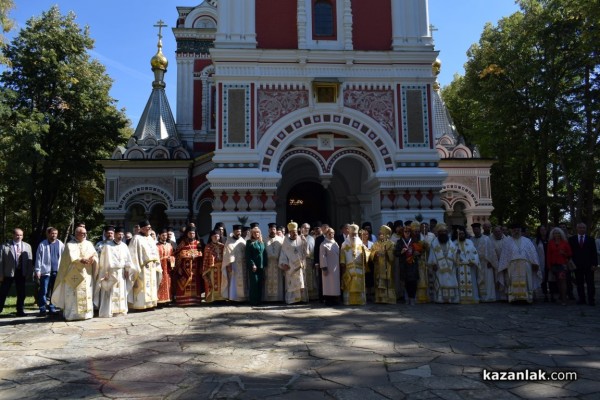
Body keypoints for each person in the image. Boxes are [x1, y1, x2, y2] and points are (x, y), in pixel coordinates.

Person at [51, 226, 98, 320]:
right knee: (73, 294)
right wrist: (81, 260)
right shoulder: (70, 245)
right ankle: (72, 315)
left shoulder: (89, 244)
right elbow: (72, 257)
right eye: (82, 233)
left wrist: (93, 259)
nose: (85, 235)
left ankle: (86, 314)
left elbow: (95, 254)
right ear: (76, 234)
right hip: (74, 274)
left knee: (87, 293)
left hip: (86, 274)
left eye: (85, 233)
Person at [94, 225, 134, 317]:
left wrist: (127, 270)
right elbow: (104, 262)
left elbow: (128, 259)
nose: (120, 236)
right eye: (119, 234)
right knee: (109, 292)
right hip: (110, 273)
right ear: (115, 235)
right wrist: (105, 273)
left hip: (121, 273)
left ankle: (120, 310)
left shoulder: (124, 246)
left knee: (120, 291)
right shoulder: (107, 246)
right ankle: (109, 311)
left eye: (122, 235)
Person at [498, 222, 541, 303]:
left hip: (525, 266)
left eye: (518, 230)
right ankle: (514, 298)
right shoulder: (507, 241)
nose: (516, 231)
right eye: (514, 230)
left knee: (526, 281)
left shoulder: (527, 241)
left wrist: (535, 263)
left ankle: (526, 297)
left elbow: (532, 253)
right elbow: (504, 255)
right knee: (513, 281)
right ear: (511, 231)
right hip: (512, 266)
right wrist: (503, 267)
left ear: (521, 231)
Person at [0, 228, 34, 317]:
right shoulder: (4, 246)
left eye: (21, 235)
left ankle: (20, 311)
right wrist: (1, 274)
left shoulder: (27, 246)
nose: (19, 237)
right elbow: (1, 261)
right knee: (3, 292)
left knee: (21, 293)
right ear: (13, 235)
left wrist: (29, 273)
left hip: (21, 272)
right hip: (8, 273)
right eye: (17, 235)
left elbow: (30, 262)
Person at [128, 220, 161, 310]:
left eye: (150, 227)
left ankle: (151, 304)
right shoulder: (136, 238)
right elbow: (132, 253)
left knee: (152, 285)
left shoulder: (150, 238)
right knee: (143, 287)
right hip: (142, 267)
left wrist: (156, 262)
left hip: (152, 266)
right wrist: (136, 266)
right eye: (148, 228)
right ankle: (141, 305)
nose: (150, 229)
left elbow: (155, 252)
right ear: (142, 228)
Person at [34, 227, 64, 316]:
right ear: (48, 234)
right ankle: (42, 308)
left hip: (57, 271)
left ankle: (52, 307)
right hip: (45, 272)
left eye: (55, 233)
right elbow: (38, 259)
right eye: (52, 233)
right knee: (43, 291)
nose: (54, 235)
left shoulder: (60, 244)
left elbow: (64, 257)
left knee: (54, 291)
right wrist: (37, 270)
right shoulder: (42, 244)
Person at [427, 223, 460, 304]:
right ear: (438, 233)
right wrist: (433, 264)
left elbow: (454, 252)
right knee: (440, 282)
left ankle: (451, 299)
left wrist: (457, 253)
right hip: (439, 266)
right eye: (441, 232)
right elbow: (432, 254)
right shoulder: (434, 243)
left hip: (450, 266)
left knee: (451, 281)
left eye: (444, 231)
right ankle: (440, 298)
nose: (443, 233)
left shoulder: (450, 242)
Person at [279, 221, 309, 304]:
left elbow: (306, 252)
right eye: (293, 232)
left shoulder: (301, 240)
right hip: (290, 267)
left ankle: (301, 299)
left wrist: (305, 242)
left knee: (300, 282)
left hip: (300, 266)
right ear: (290, 232)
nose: (294, 234)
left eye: (296, 232)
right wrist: (284, 263)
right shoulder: (286, 242)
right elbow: (283, 253)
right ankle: (292, 300)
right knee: (291, 284)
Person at [568, 223, 597, 306]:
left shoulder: (591, 239)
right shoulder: (572, 239)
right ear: (577, 229)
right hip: (577, 265)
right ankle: (582, 299)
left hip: (589, 265)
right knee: (579, 283)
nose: (582, 229)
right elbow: (570, 253)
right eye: (580, 228)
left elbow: (594, 253)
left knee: (590, 283)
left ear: (586, 229)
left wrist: (594, 264)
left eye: (583, 228)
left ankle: (591, 299)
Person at [340, 224, 369, 305]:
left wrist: (365, 252)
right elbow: (342, 254)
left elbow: (367, 254)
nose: (354, 236)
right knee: (349, 284)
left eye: (355, 234)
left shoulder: (361, 243)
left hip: (359, 268)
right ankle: (348, 301)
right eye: (352, 234)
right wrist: (342, 263)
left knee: (359, 283)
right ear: (349, 234)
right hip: (349, 268)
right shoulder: (344, 244)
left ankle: (360, 301)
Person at [173, 224, 203, 305]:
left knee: (195, 284)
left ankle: (195, 300)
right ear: (187, 233)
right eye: (190, 233)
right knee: (184, 284)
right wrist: (179, 266)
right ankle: (184, 301)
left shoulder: (198, 243)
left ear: (195, 234)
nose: (191, 235)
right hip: (184, 268)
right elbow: (176, 254)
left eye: (193, 233)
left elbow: (202, 254)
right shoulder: (183, 243)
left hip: (195, 268)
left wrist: (197, 255)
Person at [471, 223, 498, 302]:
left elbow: (491, 251)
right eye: (474, 229)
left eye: (477, 229)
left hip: (485, 262)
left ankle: (488, 297)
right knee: (476, 280)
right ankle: (478, 296)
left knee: (487, 280)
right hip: (475, 263)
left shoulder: (486, 238)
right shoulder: (471, 240)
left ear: (480, 229)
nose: (475, 230)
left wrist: (491, 261)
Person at [454, 226, 481, 304]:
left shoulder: (469, 242)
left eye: (462, 234)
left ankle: (473, 298)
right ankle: (461, 299)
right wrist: (456, 253)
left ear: (465, 234)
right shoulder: (454, 243)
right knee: (460, 282)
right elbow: (451, 255)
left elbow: (475, 252)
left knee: (472, 282)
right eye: (459, 234)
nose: (461, 235)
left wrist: (473, 261)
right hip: (460, 266)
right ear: (457, 235)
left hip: (470, 266)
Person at [371, 225, 396, 304]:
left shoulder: (391, 244)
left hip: (387, 265)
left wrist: (387, 252)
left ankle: (389, 299)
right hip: (378, 265)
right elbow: (372, 254)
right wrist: (375, 254)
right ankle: (379, 299)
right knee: (378, 281)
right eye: (379, 234)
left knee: (387, 281)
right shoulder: (375, 244)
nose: (380, 235)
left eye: (382, 233)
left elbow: (392, 256)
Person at [222, 224, 247, 302]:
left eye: (239, 231)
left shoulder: (243, 241)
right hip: (233, 265)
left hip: (242, 265)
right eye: (237, 231)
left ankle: (242, 298)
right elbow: (226, 254)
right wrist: (228, 265)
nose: (238, 233)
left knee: (243, 281)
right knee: (233, 281)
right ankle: (233, 297)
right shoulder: (229, 241)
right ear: (233, 232)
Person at [546, 227, 572, 305]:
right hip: (554, 265)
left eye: (558, 233)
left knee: (562, 281)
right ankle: (561, 296)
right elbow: (548, 255)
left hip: (562, 265)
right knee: (558, 282)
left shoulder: (565, 242)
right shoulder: (550, 243)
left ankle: (564, 299)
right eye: (554, 233)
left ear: (561, 234)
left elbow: (570, 253)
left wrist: (564, 253)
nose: (556, 234)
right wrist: (549, 265)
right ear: (552, 234)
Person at [202, 229, 226, 303]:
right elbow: (205, 259)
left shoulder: (222, 246)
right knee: (213, 283)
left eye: (217, 236)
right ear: (211, 237)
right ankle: (213, 298)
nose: (216, 238)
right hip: (212, 268)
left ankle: (222, 298)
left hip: (221, 268)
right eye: (214, 236)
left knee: (222, 283)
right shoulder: (208, 247)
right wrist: (206, 268)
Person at [246, 225, 267, 306]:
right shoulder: (249, 242)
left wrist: (265, 264)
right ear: (252, 234)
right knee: (254, 283)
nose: (256, 234)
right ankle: (253, 301)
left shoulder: (262, 242)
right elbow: (248, 255)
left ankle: (259, 301)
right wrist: (252, 264)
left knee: (259, 284)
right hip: (253, 267)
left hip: (261, 266)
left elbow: (264, 254)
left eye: (258, 232)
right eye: (255, 233)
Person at [319, 227, 340, 305]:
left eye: (333, 233)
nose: (332, 235)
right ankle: (328, 300)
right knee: (328, 283)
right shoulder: (323, 244)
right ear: (326, 234)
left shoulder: (335, 243)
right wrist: (324, 268)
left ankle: (335, 299)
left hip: (336, 267)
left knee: (335, 284)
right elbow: (322, 256)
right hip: (328, 267)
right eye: (330, 233)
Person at [264, 223, 284, 302]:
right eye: (271, 229)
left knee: (278, 280)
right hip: (268, 264)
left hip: (277, 263)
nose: (272, 231)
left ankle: (278, 298)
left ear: (276, 230)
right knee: (267, 280)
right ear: (268, 230)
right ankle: (267, 299)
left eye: (274, 229)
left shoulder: (281, 239)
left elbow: (283, 252)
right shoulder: (264, 240)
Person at [156, 228, 175, 305]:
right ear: (159, 236)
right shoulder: (156, 246)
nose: (165, 237)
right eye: (163, 235)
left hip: (168, 268)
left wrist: (171, 259)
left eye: (166, 235)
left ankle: (168, 299)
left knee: (169, 282)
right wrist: (163, 259)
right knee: (160, 282)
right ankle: (160, 300)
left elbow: (172, 255)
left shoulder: (169, 245)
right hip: (160, 267)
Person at [300, 223, 318, 300]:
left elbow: (314, 250)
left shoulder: (312, 238)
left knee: (311, 279)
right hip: (301, 262)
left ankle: (311, 296)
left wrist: (314, 261)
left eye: (308, 228)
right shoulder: (298, 238)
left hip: (310, 261)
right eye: (305, 228)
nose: (306, 229)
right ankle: (303, 296)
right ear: (301, 228)